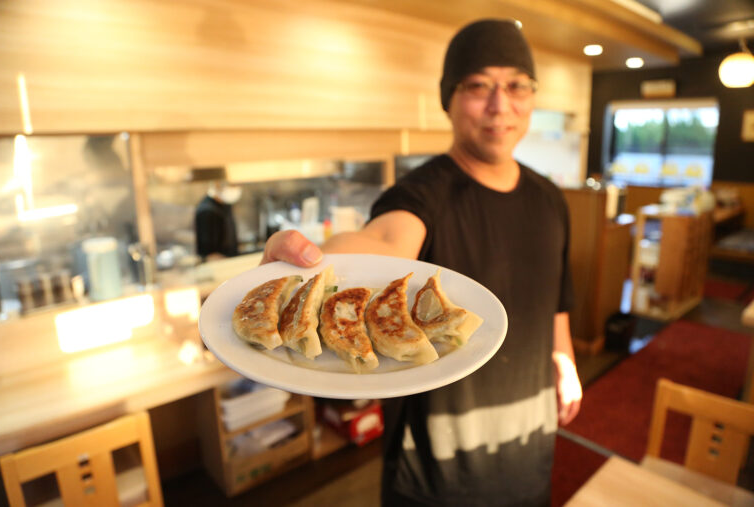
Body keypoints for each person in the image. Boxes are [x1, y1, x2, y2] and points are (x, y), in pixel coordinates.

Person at [261, 18, 582, 506]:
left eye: (516, 85)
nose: (500, 105)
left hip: (529, 446)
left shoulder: (550, 198)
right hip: (434, 470)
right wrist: (305, 266)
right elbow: (381, 243)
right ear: (448, 100)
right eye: (478, 86)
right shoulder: (420, 195)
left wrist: (566, 359)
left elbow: (554, 298)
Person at [195, 181, 241, 261]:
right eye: (232, 185)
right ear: (217, 185)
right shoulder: (206, 211)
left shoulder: (225, 205)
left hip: (230, 258)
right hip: (219, 264)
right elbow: (209, 252)